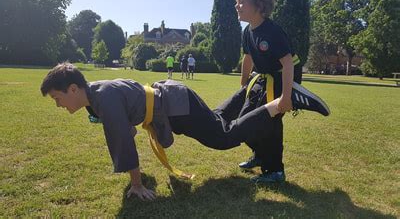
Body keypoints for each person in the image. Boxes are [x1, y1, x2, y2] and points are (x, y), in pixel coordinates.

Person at [40, 63, 329, 200]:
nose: (58, 105)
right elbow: (126, 127)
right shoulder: (97, 95)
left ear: (74, 89)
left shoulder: (105, 98)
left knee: (224, 136)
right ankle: (250, 87)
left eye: (57, 98)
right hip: (174, 99)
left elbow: (121, 141)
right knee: (216, 120)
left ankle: (278, 103)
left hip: (175, 105)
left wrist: (138, 184)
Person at [232, 0, 306, 183]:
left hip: (283, 77)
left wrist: (286, 97)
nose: (237, 6)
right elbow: (247, 58)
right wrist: (243, 85)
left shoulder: (272, 31)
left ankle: (275, 171)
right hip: (263, 78)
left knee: (269, 123)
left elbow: (288, 63)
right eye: (236, 1)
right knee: (245, 120)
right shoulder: (247, 31)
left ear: (259, 5)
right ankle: (259, 155)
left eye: (241, 2)